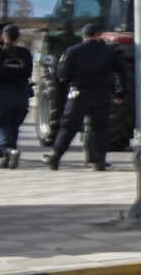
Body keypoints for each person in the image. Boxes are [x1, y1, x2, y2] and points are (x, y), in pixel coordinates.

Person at [46, 28, 127, 171]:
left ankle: (55, 157)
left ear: (84, 36)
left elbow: (62, 74)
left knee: (68, 127)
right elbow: (121, 72)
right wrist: (120, 93)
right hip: (102, 94)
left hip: (79, 93)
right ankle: (99, 162)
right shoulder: (109, 52)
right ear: (99, 35)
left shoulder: (73, 51)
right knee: (100, 129)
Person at [0, 24, 33, 168]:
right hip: (21, 94)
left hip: (1, 93)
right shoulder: (25, 53)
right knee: (13, 125)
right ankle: (9, 157)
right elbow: (28, 74)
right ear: (18, 37)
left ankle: (8, 150)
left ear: (3, 36)